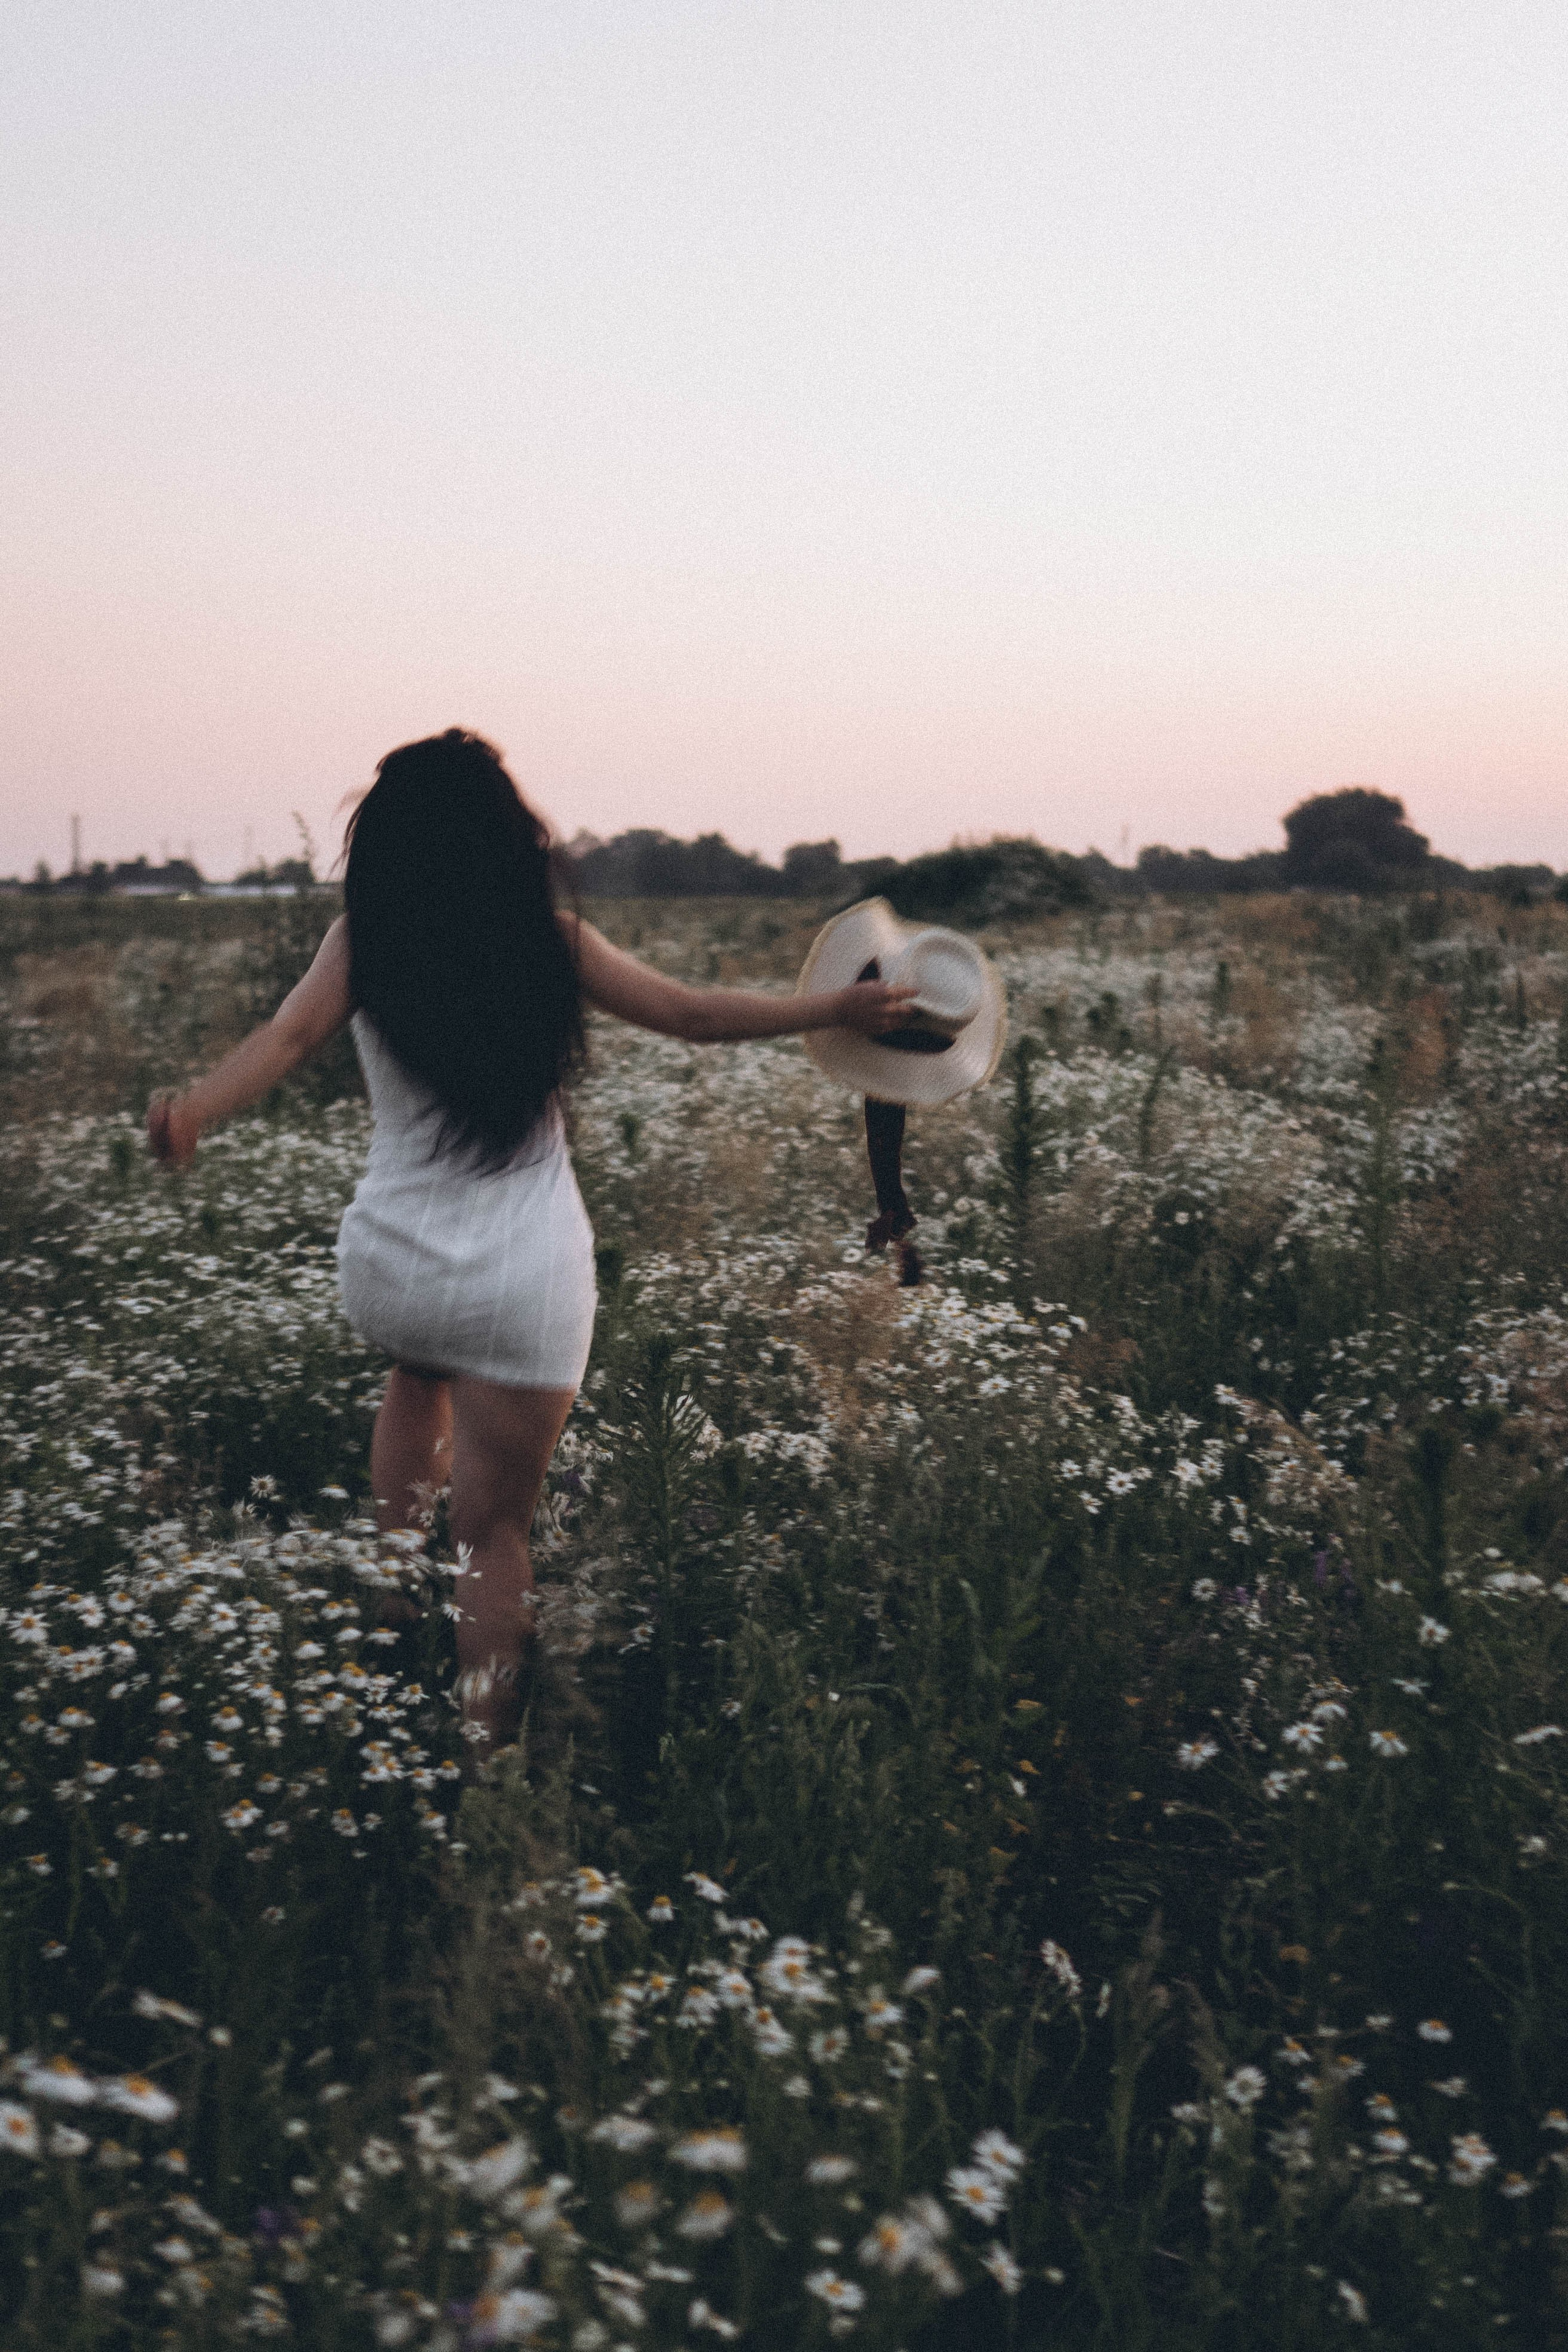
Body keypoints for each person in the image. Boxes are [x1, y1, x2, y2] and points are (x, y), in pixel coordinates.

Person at [147, 729, 915, 1755]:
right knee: (494, 1532)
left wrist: (194, 1108)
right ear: (511, 838)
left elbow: (284, 1040)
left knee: (417, 1373)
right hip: (518, 1279)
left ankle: (389, 1604)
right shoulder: (551, 941)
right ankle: (486, 1759)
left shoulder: (361, 940)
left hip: (390, 1266)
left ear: (389, 843)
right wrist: (838, 1006)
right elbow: (692, 1016)